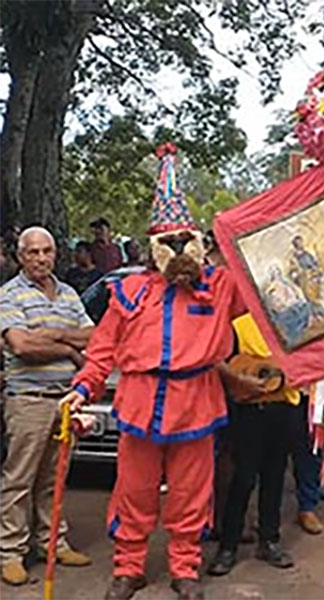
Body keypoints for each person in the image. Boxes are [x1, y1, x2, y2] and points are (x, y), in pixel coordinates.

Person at [62, 144, 247, 600]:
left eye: (187, 239)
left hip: (198, 401)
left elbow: (265, 291)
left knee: (190, 493)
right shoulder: (128, 291)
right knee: (134, 490)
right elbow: (103, 349)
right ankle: (129, 567)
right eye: (170, 242)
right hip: (141, 402)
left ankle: (185, 568)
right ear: (152, 247)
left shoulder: (220, 287)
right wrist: (82, 389)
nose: (180, 249)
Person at [0, 227, 94, 586]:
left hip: (66, 399)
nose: (41, 258)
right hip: (29, 401)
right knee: (19, 478)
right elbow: (22, 346)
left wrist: (51, 336)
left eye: (47, 251)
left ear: (56, 254)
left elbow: (96, 335)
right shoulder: (9, 295)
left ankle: (52, 544)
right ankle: (10, 551)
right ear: (21, 256)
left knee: (54, 479)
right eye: (33, 252)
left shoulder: (69, 293)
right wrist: (71, 349)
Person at [207, 313, 304, 576]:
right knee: (243, 477)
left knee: (275, 476)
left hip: (284, 407)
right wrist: (243, 380)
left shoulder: (294, 323)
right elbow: (222, 362)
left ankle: (269, 541)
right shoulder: (239, 325)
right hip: (248, 410)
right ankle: (228, 546)